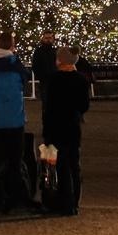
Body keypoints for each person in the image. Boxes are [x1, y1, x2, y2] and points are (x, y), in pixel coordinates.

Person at [0, 31, 32, 214]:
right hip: (14, 119)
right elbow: (24, 83)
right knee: (14, 161)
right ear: (12, 45)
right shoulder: (16, 65)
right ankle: (14, 198)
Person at [41, 46, 90, 215]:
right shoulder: (81, 79)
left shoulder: (54, 79)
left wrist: (46, 130)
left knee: (60, 165)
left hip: (56, 126)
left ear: (61, 61)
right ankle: (74, 201)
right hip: (73, 126)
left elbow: (48, 106)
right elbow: (84, 106)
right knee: (74, 165)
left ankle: (63, 201)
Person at [31, 31, 57, 103]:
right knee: (46, 103)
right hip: (44, 81)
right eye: (46, 38)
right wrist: (40, 77)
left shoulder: (55, 51)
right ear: (42, 39)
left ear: (53, 39)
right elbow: (35, 66)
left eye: (50, 38)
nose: (48, 40)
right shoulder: (38, 51)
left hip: (55, 81)